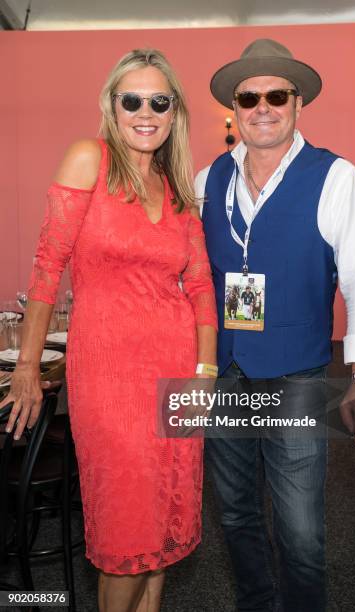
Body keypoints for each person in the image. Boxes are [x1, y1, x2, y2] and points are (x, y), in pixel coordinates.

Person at [1, 48, 218, 612]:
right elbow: (47, 266)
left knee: (162, 533)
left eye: (159, 100)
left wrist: (206, 371)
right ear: (112, 106)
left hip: (176, 375)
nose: (145, 111)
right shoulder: (87, 159)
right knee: (126, 527)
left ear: (175, 112)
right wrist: (27, 366)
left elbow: (200, 287)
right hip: (109, 377)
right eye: (132, 100)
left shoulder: (178, 187)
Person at [195, 38, 355, 611]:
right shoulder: (207, 178)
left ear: (297, 103)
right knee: (235, 511)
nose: (263, 106)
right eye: (249, 96)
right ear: (233, 109)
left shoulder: (336, 177)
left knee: (300, 527)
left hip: (296, 375)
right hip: (226, 369)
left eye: (276, 94)